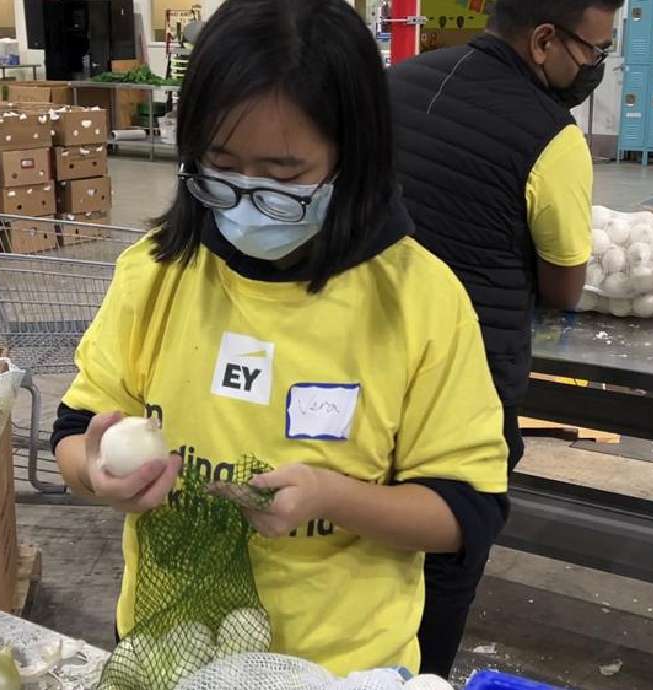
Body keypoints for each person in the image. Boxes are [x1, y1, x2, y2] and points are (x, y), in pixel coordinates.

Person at [51, 0, 508, 676]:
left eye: (284, 174)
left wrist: (334, 499)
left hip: (339, 665)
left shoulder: (418, 300)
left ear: (352, 153)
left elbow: (464, 510)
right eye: (220, 164)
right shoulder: (157, 272)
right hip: (167, 650)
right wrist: (95, 473)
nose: (245, 194)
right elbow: (76, 429)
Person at [388, 0, 621, 675]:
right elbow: (563, 288)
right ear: (545, 39)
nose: (595, 67)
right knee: (444, 565)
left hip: (358, 368)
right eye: (592, 50)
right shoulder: (553, 138)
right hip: (464, 392)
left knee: (358, 556)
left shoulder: (393, 83)